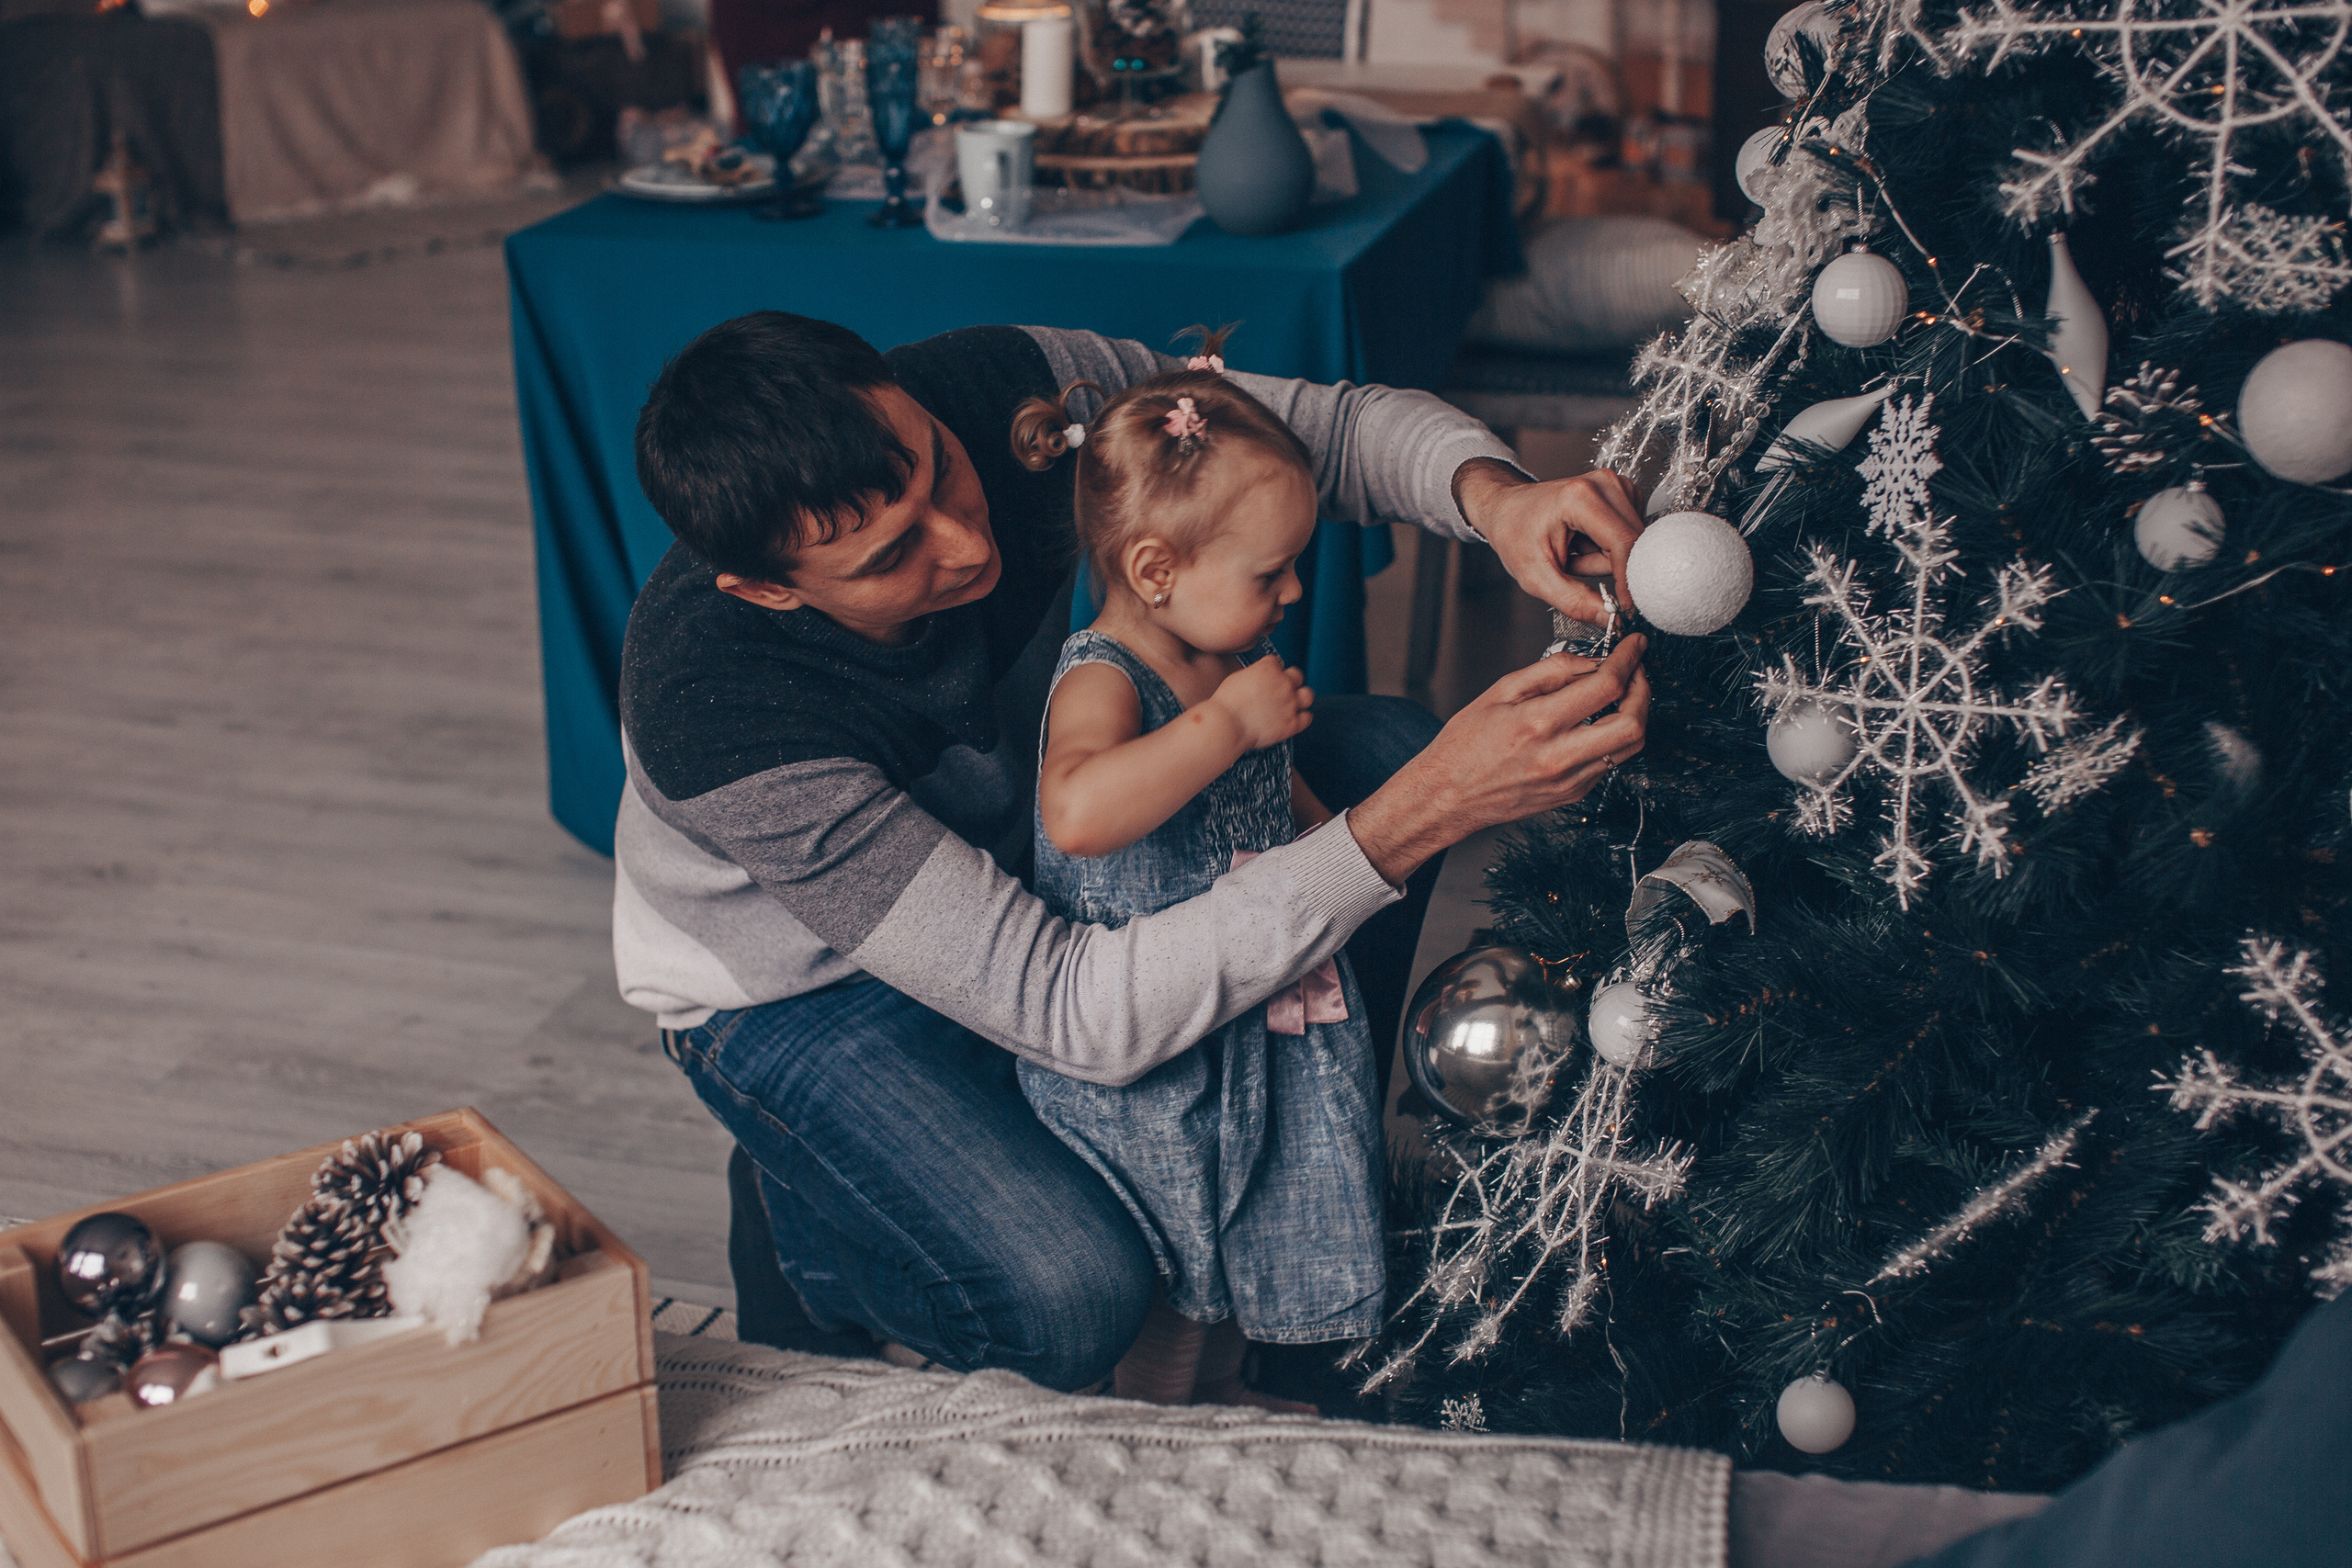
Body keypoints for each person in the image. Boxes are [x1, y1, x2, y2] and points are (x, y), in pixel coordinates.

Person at [622, 311, 1653, 1393]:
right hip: (796, 984)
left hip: (1023, 853)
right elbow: (1072, 1008)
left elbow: (1317, 434)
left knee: (1381, 751)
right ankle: (816, 1241)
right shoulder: (716, 714)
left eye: (938, 471)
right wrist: (1420, 814)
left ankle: (1278, 1174)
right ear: (770, 590)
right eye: (893, 556)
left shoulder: (1008, 394)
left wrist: (1499, 499)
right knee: (1076, 1295)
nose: (969, 544)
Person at [1007, 349, 1386, 1411]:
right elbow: (1077, 813)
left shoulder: (1223, 663)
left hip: (1257, 1014)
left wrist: (1346, 844)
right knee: (1170, 1258)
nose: (1295, 592)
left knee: (1253, 1231)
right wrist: (1224, 727)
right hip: (1158, 1046)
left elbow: (1275, 809)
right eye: (1269, 575)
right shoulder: (1104, 673)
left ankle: (1225, 1409)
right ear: (1155, 571)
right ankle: (1145, 1426)